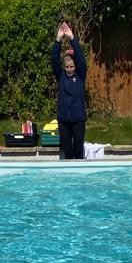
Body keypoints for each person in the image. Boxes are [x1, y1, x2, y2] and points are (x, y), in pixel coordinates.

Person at [51, 21, 87, 160]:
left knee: (78, 151)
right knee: (67, 151)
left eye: (72, 67)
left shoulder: (80, 76)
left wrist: (72, 38)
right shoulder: (60, 76)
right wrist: (58, 40)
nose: (70, 69)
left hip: (78, 120)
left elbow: (80, 59)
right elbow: (54, 60)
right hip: (64, 121)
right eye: (67, 67)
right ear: (64, 67)